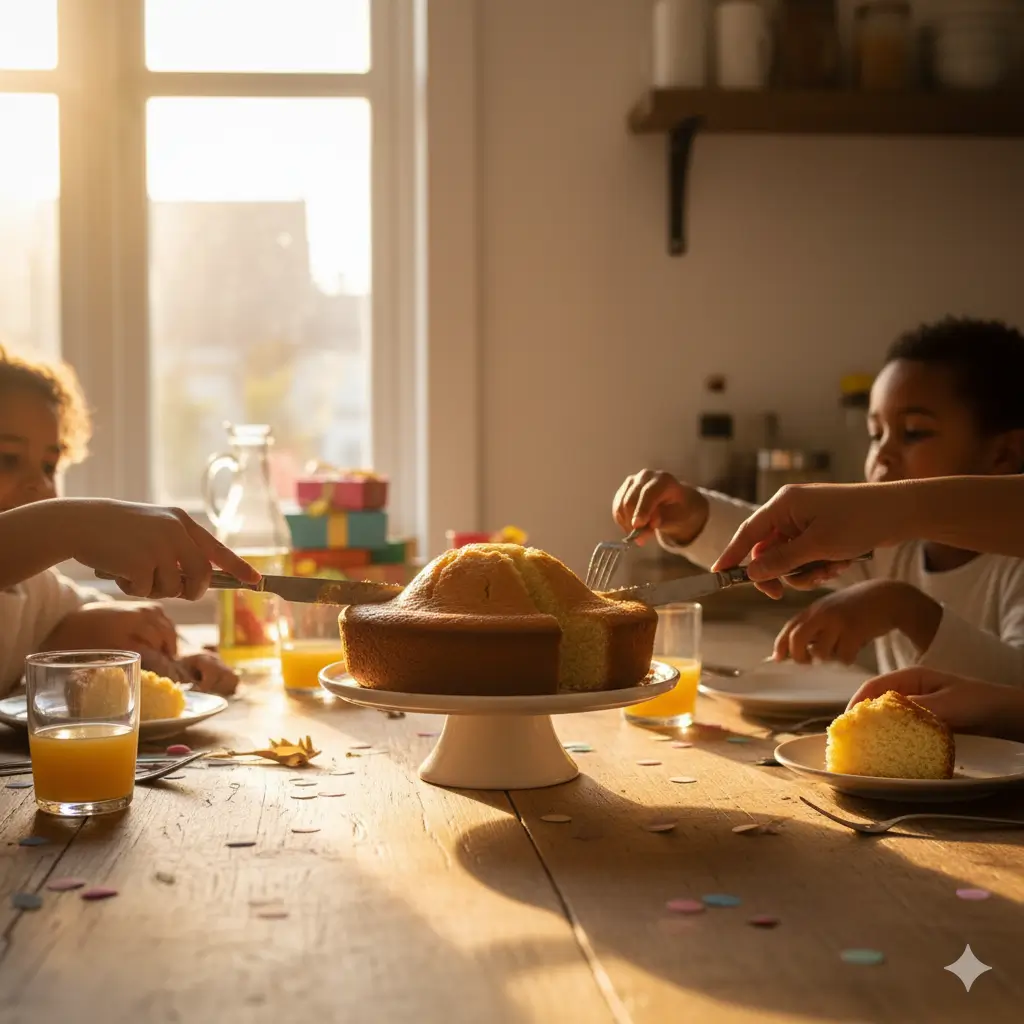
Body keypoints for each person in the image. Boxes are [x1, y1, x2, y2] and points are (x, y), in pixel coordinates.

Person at [613, 316, 1024, 687]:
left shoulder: (1013, 567)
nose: (882, 454)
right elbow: (779, 545)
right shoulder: (894, 549)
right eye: (875, 433)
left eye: (914, 432)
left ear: (1003, 454)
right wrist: (692, 516)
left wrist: (903, 608)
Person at [0, 346, 257, 698]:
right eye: (7, 458)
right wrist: (78, 525)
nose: (40, 484)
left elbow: (84, 614)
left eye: (49, 466)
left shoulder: (32, 590)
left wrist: (175, 652)